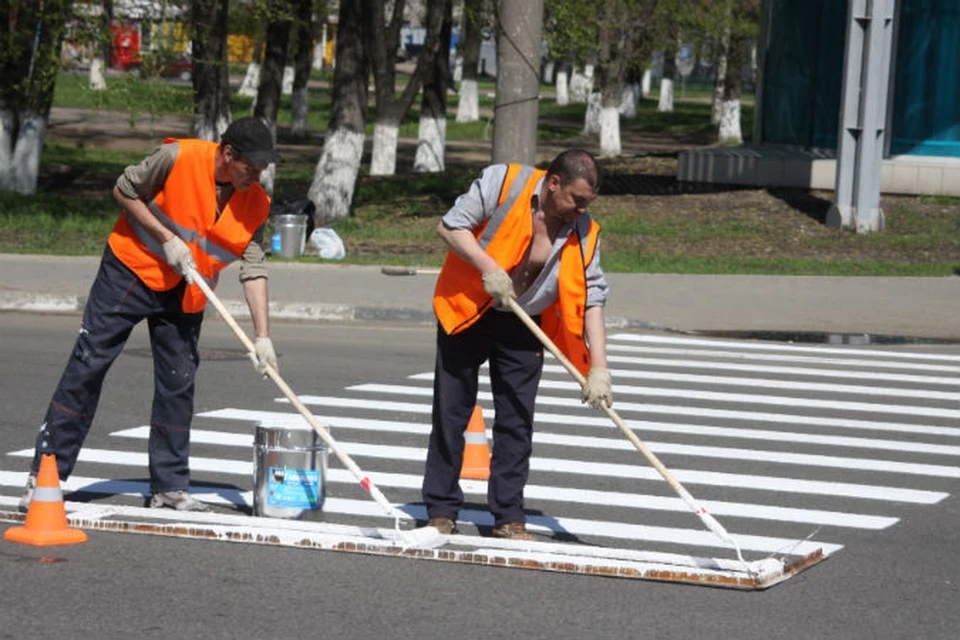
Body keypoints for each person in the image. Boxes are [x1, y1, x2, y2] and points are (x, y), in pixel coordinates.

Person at [19, 117, 282, 513]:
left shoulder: (256, 202)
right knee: (88, 366)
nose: (256, 176)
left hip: (187, 290)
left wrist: (263, 336)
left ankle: (170, 487)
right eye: (251, 167)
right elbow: (124, 190)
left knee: (179, 382)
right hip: (131, 270)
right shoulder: (178, 157)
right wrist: (167, 239)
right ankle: (45, 477)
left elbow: (254, 267)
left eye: (263, 169)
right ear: (228, 154)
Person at [422, 149, 613, 540]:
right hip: (469, 307)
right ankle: (441, 509)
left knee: (517, 421)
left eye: (587, 204)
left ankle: (508, 516)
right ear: (554, 183)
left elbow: (592, 296)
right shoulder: (503, 183)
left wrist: (599, 367)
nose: (581, 210)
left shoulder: (583, 230)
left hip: (525, 323)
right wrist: (489, 267)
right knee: (451, 413)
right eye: (577, 200)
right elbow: (450, 226)